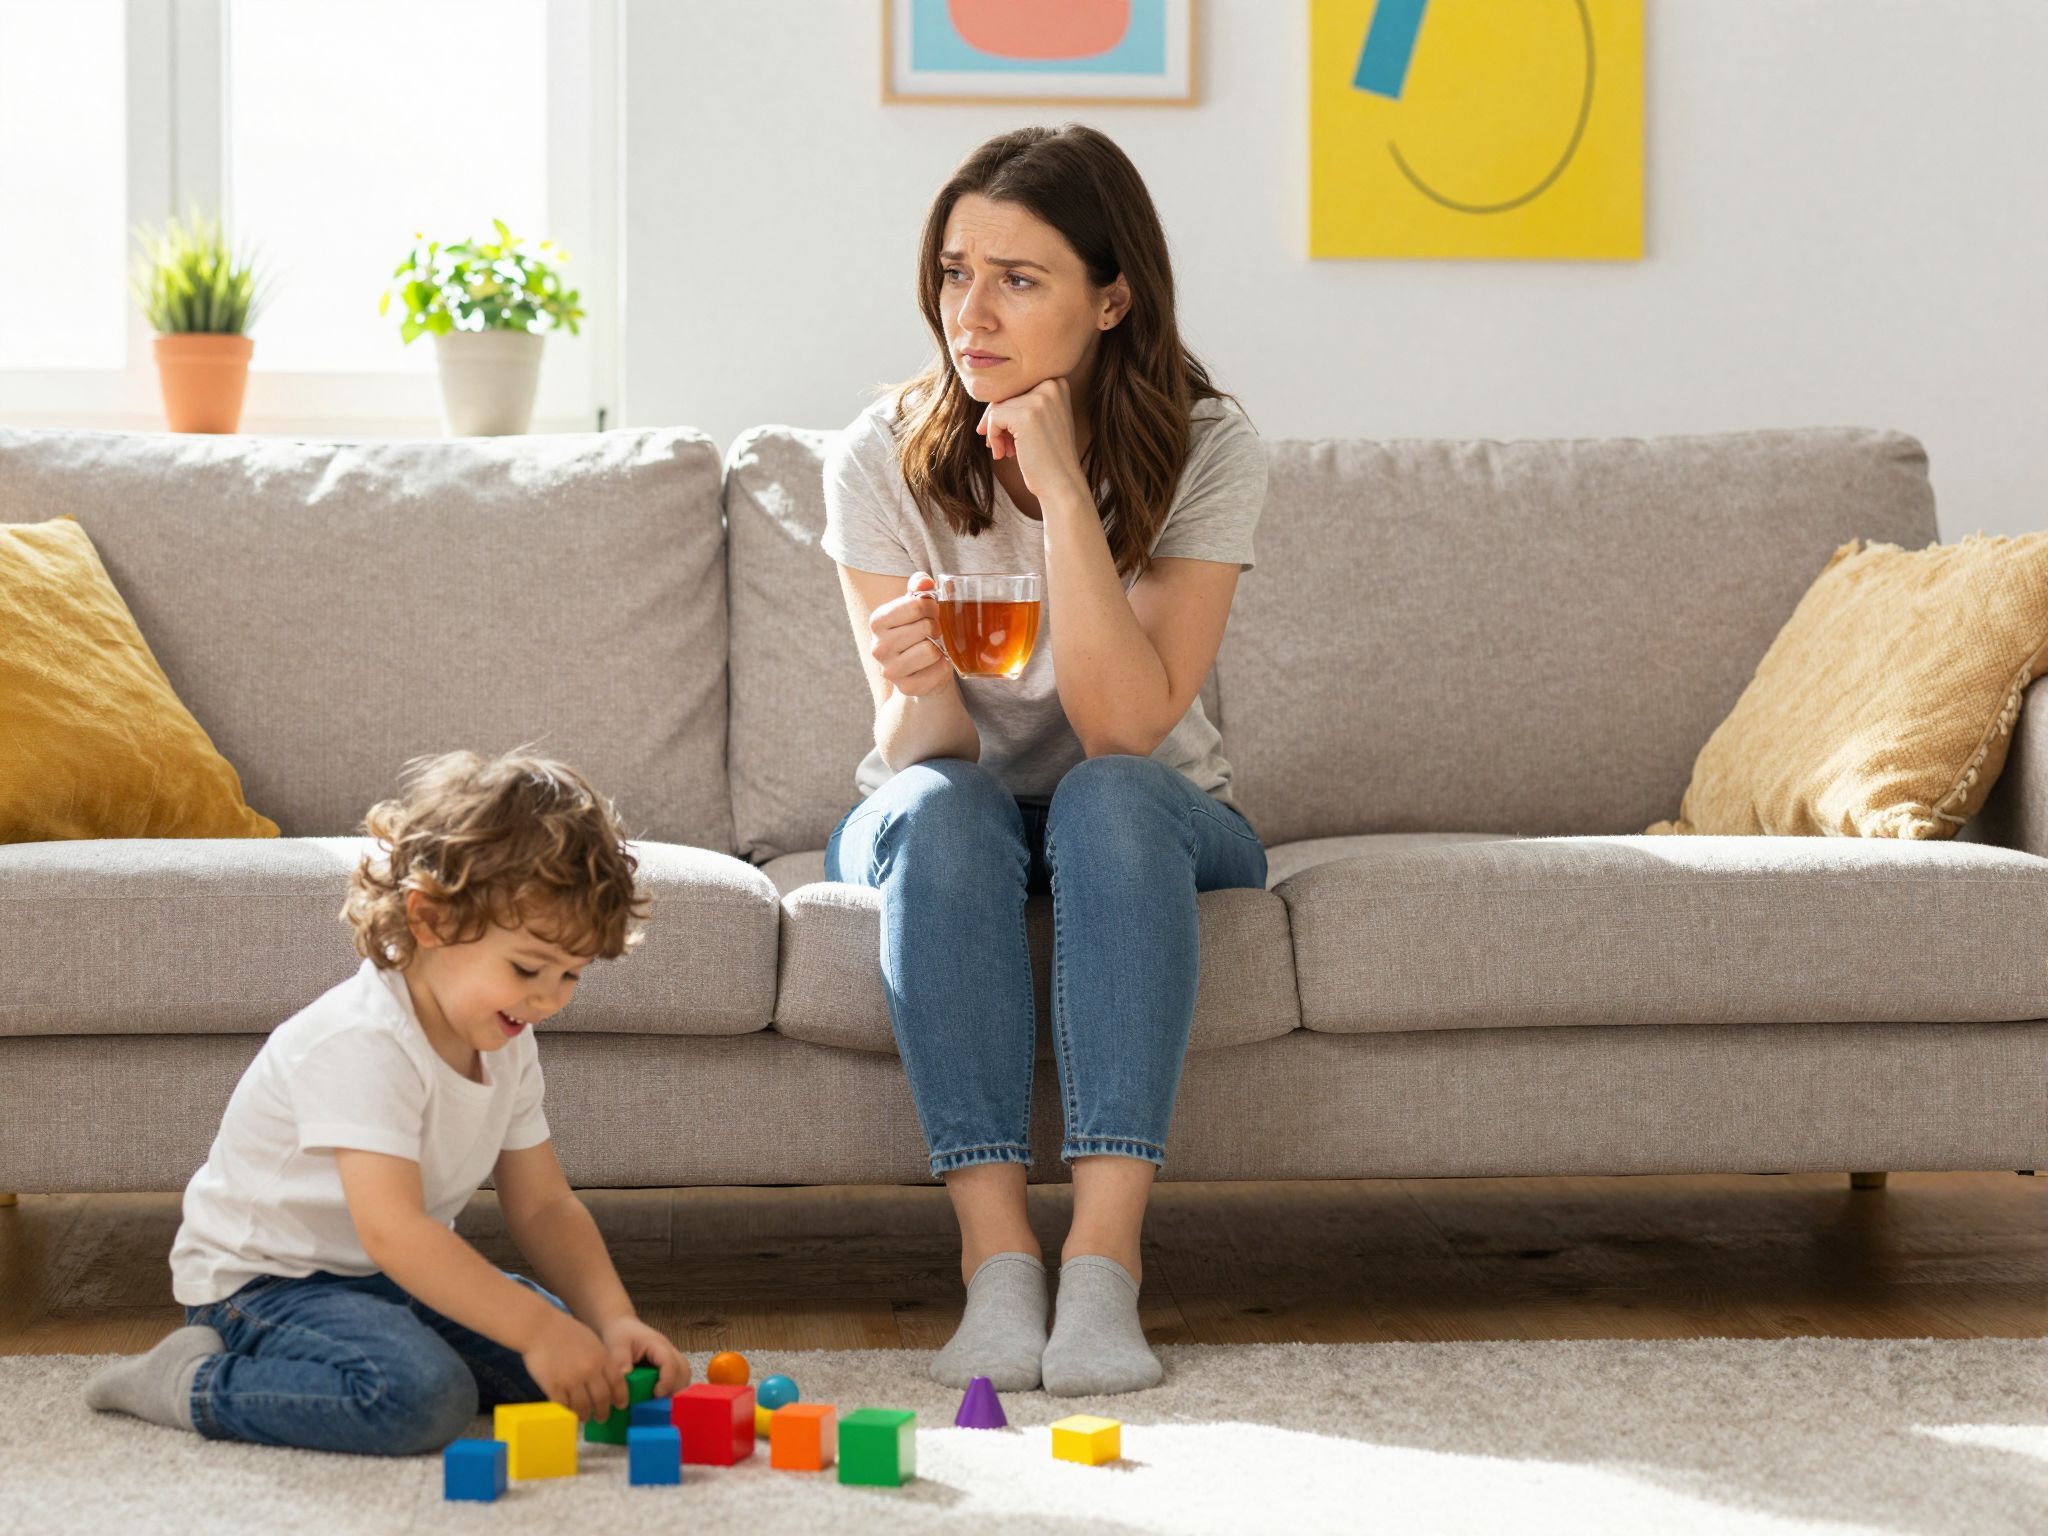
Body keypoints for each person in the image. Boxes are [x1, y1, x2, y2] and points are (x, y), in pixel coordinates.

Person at [820, 124, 1271, 1396]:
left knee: (1109, 794)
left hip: (1152, 807)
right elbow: (924, 758)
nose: (973, 311)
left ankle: (1103, 1270)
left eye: (1019, 278)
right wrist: (914, 685)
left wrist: (1065, 491)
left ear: (1110, 296)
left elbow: (1129, 726)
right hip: (944, 796)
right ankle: (998, 1267)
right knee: (945, 806)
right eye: (956, 271)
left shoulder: (1208, 446)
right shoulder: (880, 453)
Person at [84, 749, 690, 1454]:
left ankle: (430, 1342)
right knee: (422, 1397)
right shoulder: (364, 1039)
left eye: (570, 976)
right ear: (428, 919)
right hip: (264, 1287)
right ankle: (191, 1382)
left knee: (571, 1365)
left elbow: (544, 1205)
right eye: (527, 967)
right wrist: (534, 1328)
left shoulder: (505, 1039)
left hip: (385, 1278)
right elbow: (395, 1230)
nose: (548, 998)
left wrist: (611, 1320)